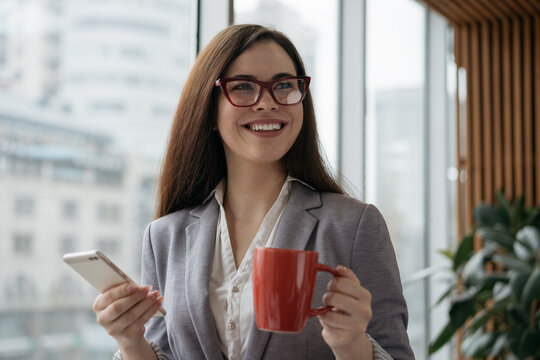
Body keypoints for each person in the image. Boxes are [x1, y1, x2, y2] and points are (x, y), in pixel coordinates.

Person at [92, 24, 414, 360]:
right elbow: (167, 352)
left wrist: (352, 346)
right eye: (244, 87)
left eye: (284, 86)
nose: (266, 103)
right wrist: (130, 343)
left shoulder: (354, 227)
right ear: (210, 109)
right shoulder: (164, 237)